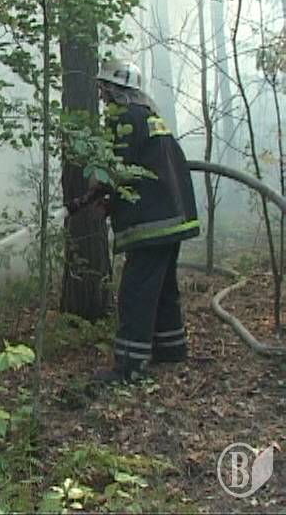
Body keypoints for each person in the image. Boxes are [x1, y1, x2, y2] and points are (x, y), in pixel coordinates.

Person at [91, 58, 200, 383]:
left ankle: (129, 367)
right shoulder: (150, 116)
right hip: (174, 217)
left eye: (104, 89)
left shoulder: (123, 118)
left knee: (136, 290)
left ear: (116, 90)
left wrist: (99, 191)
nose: (102, 96)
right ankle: (171, 349)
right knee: (163, 286)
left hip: (151, 222)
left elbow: (116, 168)